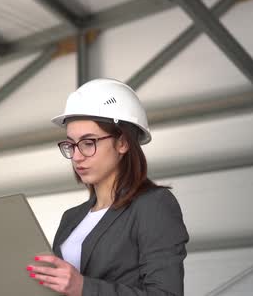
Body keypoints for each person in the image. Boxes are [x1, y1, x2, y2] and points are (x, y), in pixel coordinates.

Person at [28, 78, 189, 295]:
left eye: (88, 142)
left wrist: (83, 287)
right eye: (71, 145)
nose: (76, 156)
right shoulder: (71, 218)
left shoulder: (153, 205)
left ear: (122, 142)